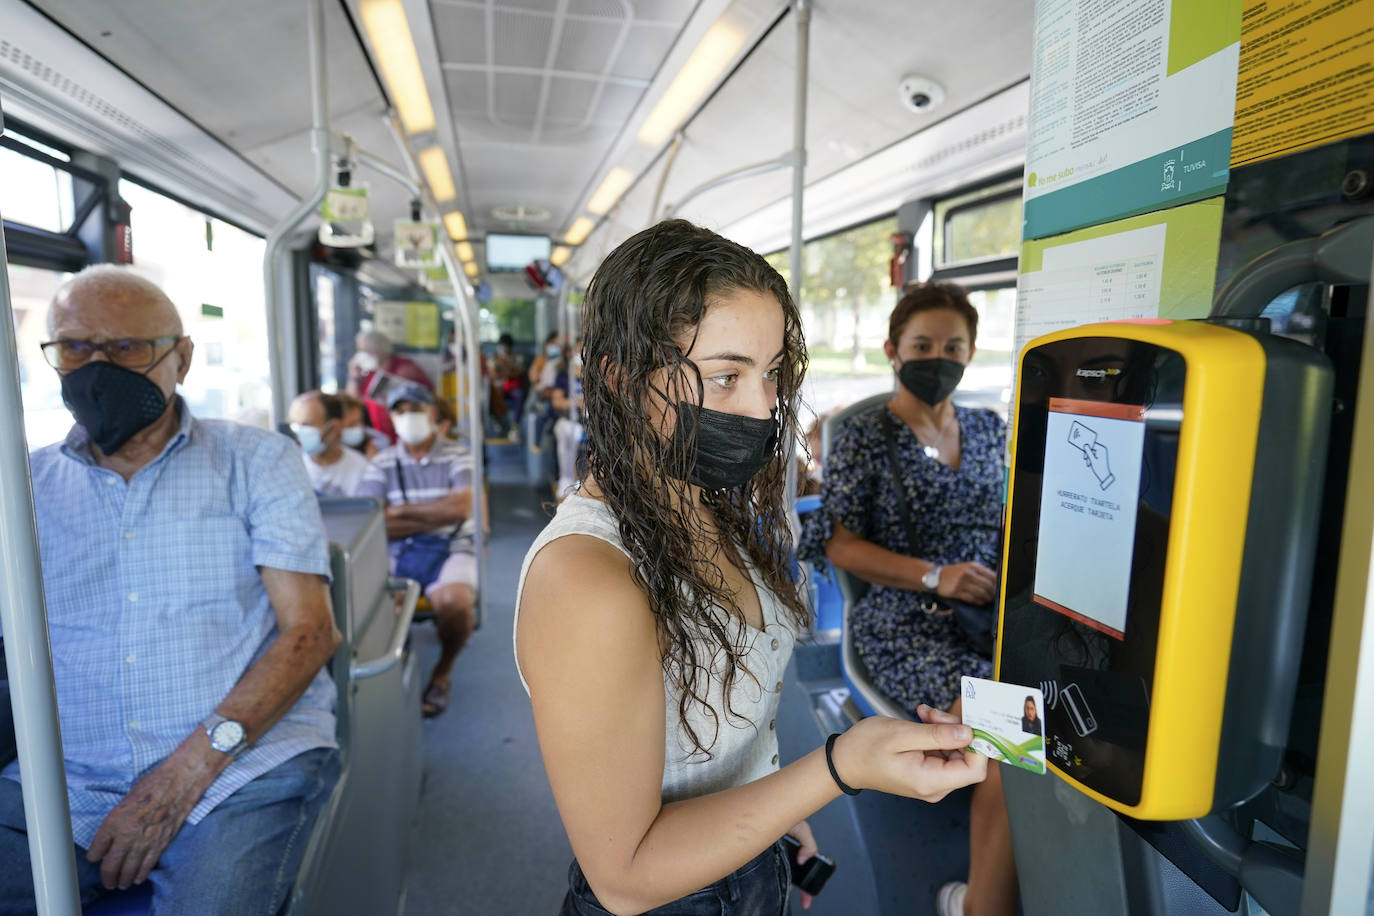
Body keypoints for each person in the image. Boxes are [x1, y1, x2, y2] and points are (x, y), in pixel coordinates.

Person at [515, 220, 986, 916]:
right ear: (619, 378)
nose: (763, 409)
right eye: (726, 376)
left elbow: (726, 737)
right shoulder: (588, 580)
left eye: (770, 376)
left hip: (745, 868)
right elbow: (624, 875)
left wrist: (768, 812)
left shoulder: (704, 505)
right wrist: (837, 769)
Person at [1, 265, 341, 914]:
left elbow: (311, 630)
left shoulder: (256, 460)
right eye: (75, 347)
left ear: (180, 358)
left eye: (127, 348)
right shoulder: (23, 490)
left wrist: (185, 773)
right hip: (64, 776)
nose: (98, 369)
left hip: (237, 766)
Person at [798, 281, 1015, 916]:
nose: (938, 357)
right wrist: (933, 576)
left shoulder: (987, 427)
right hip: (905, 617)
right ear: (894, 350)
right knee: (1005, 735)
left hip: (989, 611)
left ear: (972, 352)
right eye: (922, 344)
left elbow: (1004, 519)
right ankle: (981, 903)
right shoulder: (865, 436)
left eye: (953, 345)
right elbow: (835, 543)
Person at [358, 383, 476, 718]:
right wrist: (428, 515)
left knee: (456, 606)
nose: (408, 417)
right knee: (377, 606)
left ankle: (442, 673)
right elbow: (373, 520)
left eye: (416, 410)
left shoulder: (458, 454)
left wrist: (398, 512)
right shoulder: (381, 463)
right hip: (397, 548)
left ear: (434, 414)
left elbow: (462, 507)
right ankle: (395, 674)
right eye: (400, 411)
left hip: (453, 544)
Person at [288, 390, 370, 498]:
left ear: (333, 428)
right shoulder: (288, 469)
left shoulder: (362, 469)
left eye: (307, 425)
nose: (300, 432)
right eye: (296, 425)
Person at [349, 328, 435, 400]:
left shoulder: (405, 367)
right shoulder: (366, 372)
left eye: (366, 350)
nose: (362, 355)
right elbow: (353, 401)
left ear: (380, 349)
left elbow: (429, 394)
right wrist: (354, 377)